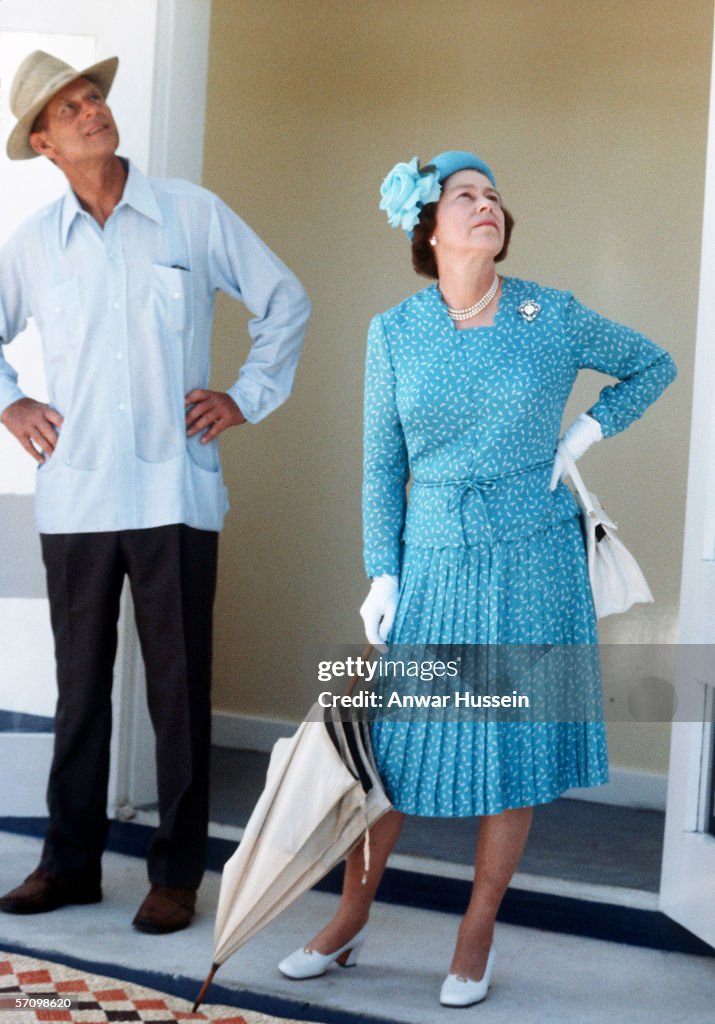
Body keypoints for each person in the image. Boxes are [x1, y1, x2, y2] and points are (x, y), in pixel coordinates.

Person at [278, 151, 675, 1005]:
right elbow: (381, 466)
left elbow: (653, 364)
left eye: (493, 196)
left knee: (515, 746)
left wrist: (579, 440)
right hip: (431, 560)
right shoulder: (394, 330)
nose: (485, 205)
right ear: (429, 224)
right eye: (465, 195)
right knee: (391, 750)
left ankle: (476, 930)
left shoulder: (550, 313)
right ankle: (348, 919)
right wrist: (381, 573)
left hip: (535, 559)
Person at [0, 50, 310, 933]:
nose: (91, 110)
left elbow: (283, 300)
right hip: (78, 497)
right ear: (45, 144)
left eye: (93, 95)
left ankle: (175, 875)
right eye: (69, 107)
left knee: (178, 690)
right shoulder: (32, 247)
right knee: (80, 692)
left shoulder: (190, 214)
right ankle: (68, 867)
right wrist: (11, 401)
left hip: (176, 492)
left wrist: (242, 398)